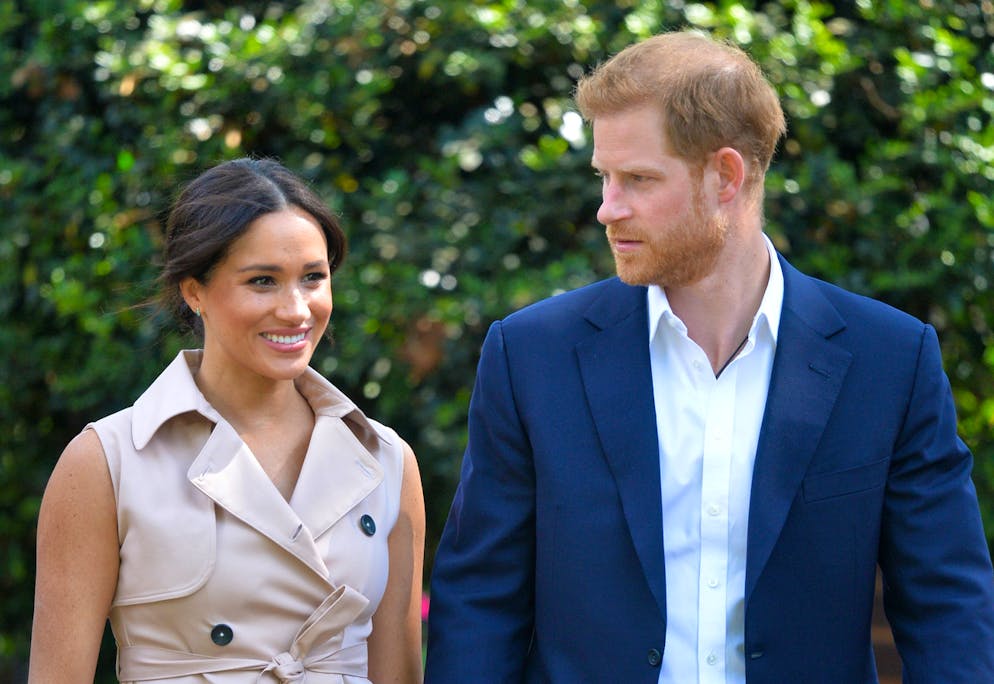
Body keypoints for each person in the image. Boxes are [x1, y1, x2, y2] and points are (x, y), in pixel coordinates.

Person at [425, 30, 994, 683]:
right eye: (604, 177)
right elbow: (479, 608)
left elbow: (949, 610)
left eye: (638, 179)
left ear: (726, 176)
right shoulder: (530, 356)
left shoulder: (890, 361)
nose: (609, 209)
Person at [29, 158, 426, 683]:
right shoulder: (107, 460)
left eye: (313, 277)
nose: (296, 309)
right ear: (194, 291)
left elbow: (398, 672)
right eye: (262, 281)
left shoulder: (385, 458)